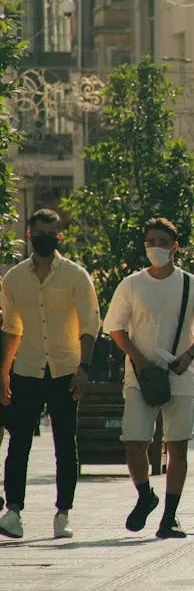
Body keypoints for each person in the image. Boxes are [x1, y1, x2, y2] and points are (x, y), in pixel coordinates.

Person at [104, 218, 194, 539]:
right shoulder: (131, 284)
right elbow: (115, 327)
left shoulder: (193, 285)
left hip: (180, 375)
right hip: (140, 376)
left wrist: (189, 355)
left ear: (175, 246)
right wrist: (139, 360)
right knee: (134, 443)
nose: (155, 247)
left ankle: (170, 516)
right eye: (150, 240)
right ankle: (145, 496)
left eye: (162, 241)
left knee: (177, 446)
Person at [0, 209, 100, 539]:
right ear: (29, 235)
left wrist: (83, 368)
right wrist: (4, 373)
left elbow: (89, 324)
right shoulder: (14, 278)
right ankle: (13, 511)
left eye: (52, 233)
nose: (47, 238)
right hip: (27, 369)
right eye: (40, 232)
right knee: (19, 444)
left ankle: (63, 513)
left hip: (64, 369)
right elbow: (12, 328)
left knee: (64, 445)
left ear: (59, 236)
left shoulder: (75, 276)